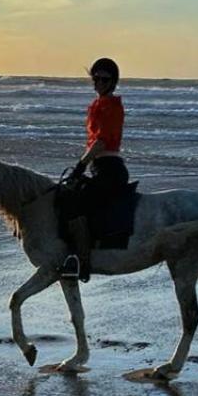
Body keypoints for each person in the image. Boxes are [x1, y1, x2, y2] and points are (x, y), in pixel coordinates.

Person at [60, 57, 127, 281]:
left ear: (113, 81)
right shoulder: (97, 105)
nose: (98, 82)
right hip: (99, 168)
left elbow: (99, 143)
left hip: (109, 168)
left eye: (104, 78)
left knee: (73, 202)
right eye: (95, 78)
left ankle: (83, 261)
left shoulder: (111, 106)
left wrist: (80, 166)